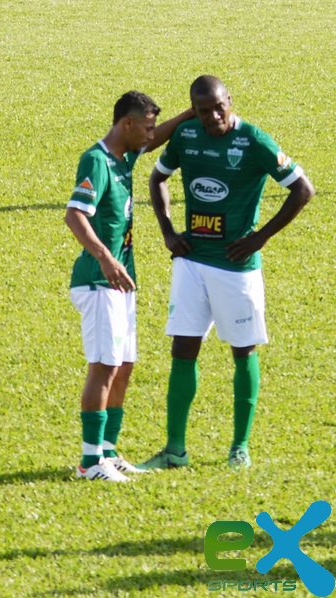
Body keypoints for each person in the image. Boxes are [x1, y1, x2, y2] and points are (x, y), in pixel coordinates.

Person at [140, 76, 314, 471]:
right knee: (182, 350)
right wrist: (168, 232)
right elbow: (157, 178)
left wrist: (260, 238)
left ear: (229, 101)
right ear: (194, 110)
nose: (214, 116)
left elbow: (303, 189)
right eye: (204, 110)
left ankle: (240, 447)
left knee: (243, 350)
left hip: (236, 267)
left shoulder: (253, 140)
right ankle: (175, 450)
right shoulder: (185, 136)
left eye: (219, 107)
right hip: (192, 262)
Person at [65, 92, 194, 482]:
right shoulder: (97, 160)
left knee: (123, 365)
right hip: (97, 280)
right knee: (104, 366)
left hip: (122, 283)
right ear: (127, 124)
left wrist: (193, 113)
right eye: (147, 127)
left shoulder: (126, 155)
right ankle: (90, 462)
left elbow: (154, 139)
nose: (151, 136)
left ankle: (108, 451)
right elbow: (74, 216)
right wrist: (106, 258)